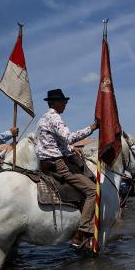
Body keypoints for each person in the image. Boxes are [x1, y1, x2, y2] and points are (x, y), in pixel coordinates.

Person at [35, 89, 99, 249]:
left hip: (45, 162)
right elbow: (69, 137)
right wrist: (92, 127)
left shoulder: (43, 118)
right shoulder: (54, 117)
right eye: (63, 101)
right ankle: (82, 232)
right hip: (58, 163)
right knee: (93, 191)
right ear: (55, 102)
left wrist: (70, 148)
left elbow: (55, 142)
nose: (65, 104)